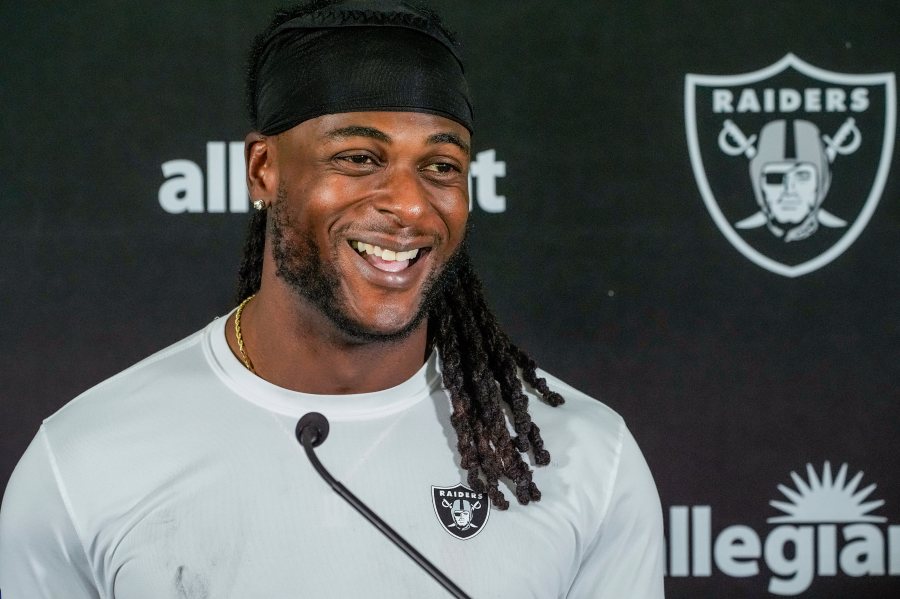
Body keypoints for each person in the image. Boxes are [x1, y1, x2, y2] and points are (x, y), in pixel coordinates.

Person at [0, 1, 664, 597]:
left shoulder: (587, 461)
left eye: (440, 167)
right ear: (263, 168)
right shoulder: (84, 462)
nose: (408, 204)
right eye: (357, 158)